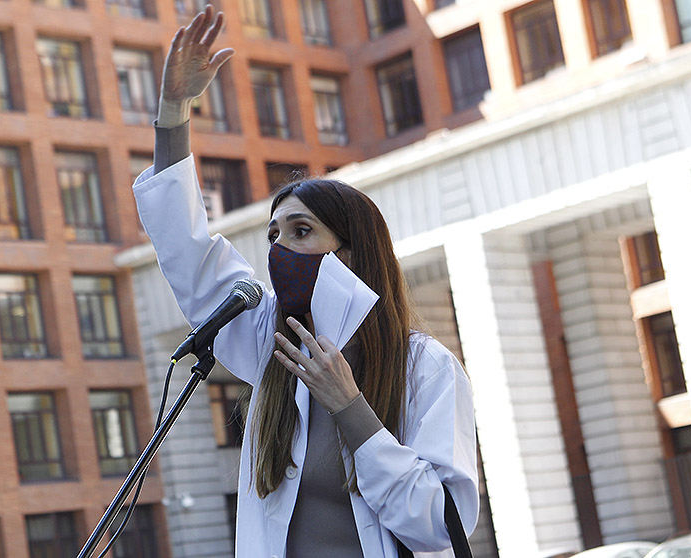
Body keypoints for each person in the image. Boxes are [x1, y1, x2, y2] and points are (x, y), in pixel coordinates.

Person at [133, 6, 479, 557]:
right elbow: (189, 251)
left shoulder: (425, 368)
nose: (279, 250)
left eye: (301, 231)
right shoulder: (272, 346)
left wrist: (349, 406)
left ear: (352, 251)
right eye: (273, 235)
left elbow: (443, 524)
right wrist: (173, 114)